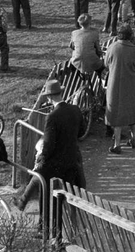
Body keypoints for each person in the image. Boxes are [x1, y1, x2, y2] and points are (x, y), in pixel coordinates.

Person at [14, 80, 85, 210]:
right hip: (73, 158)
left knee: (39, 172)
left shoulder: (53, 116)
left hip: (58, 162)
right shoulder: (75, 110)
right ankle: (22, 202)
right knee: (39, 173)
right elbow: (81, 132)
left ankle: (28, 206)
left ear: (49, 97)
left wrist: (41, 158)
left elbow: (49, 145)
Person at [104, 23, 135, 152]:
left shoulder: (112, 47)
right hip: (131, 84)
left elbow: (106, 64)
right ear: (130, 36)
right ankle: (133, 138)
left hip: (115, 83)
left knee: (116, 112)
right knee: (133, 110)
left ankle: (117, 144)